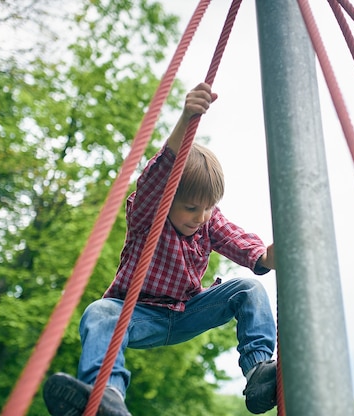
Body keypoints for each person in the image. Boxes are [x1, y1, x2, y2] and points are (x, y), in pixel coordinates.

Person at [43, 82, 278, 415]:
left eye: (208, 207)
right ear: (168, 200)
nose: (201, 217)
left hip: (188, 310)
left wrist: (266, 257)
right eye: (192, 208)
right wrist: (187, 118)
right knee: (99, 312)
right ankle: (106, 395)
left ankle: (259, 374)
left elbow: (236, 239)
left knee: (249, 288)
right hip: (139, 315)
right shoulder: (148, 214)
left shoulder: (207, 220)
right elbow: (158, 174)